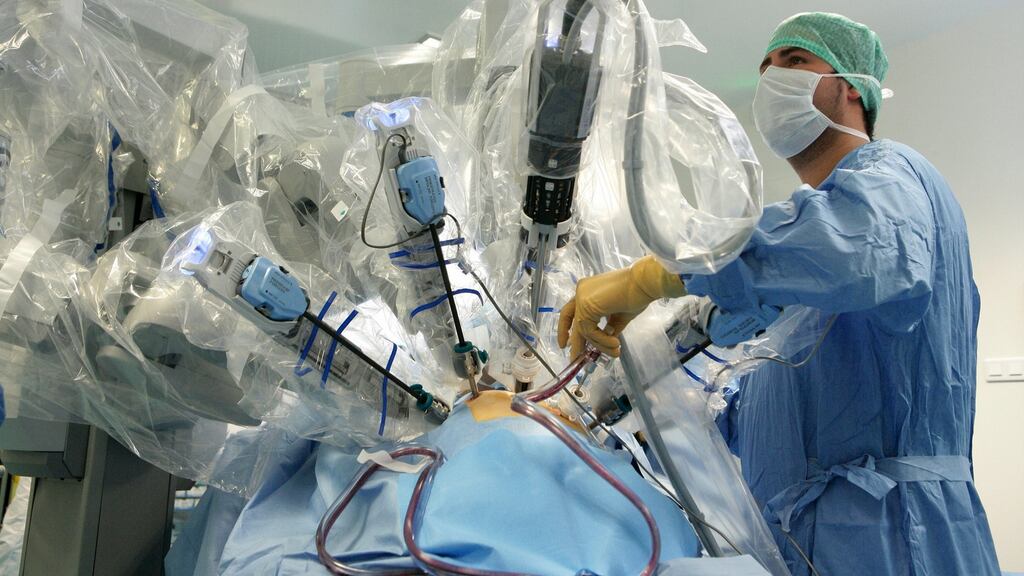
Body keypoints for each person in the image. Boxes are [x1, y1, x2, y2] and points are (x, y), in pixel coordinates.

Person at [558, 12, 1000, 576]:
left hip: (899, 538)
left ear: (850, 88)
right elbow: (774, 418)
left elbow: (851, 249)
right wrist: (651, 415)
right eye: (765, 67)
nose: (772, 78)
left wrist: (652, 277)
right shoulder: (803, 281)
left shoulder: (893, 178)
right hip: (810, 541)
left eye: (794, 61)